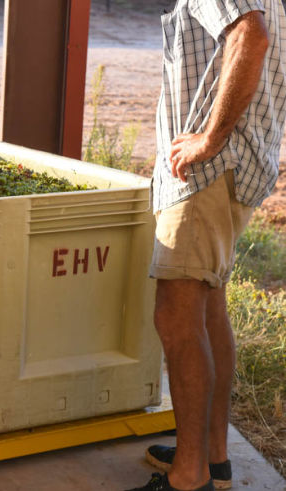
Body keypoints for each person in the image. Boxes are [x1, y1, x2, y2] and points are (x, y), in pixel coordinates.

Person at [128, 1, 286, 490]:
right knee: (207, 308)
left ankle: (188, 476)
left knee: (177, 315)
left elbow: (251, 38)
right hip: (236, 165)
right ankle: (211, 457)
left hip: (207, 172)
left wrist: (209, 139)